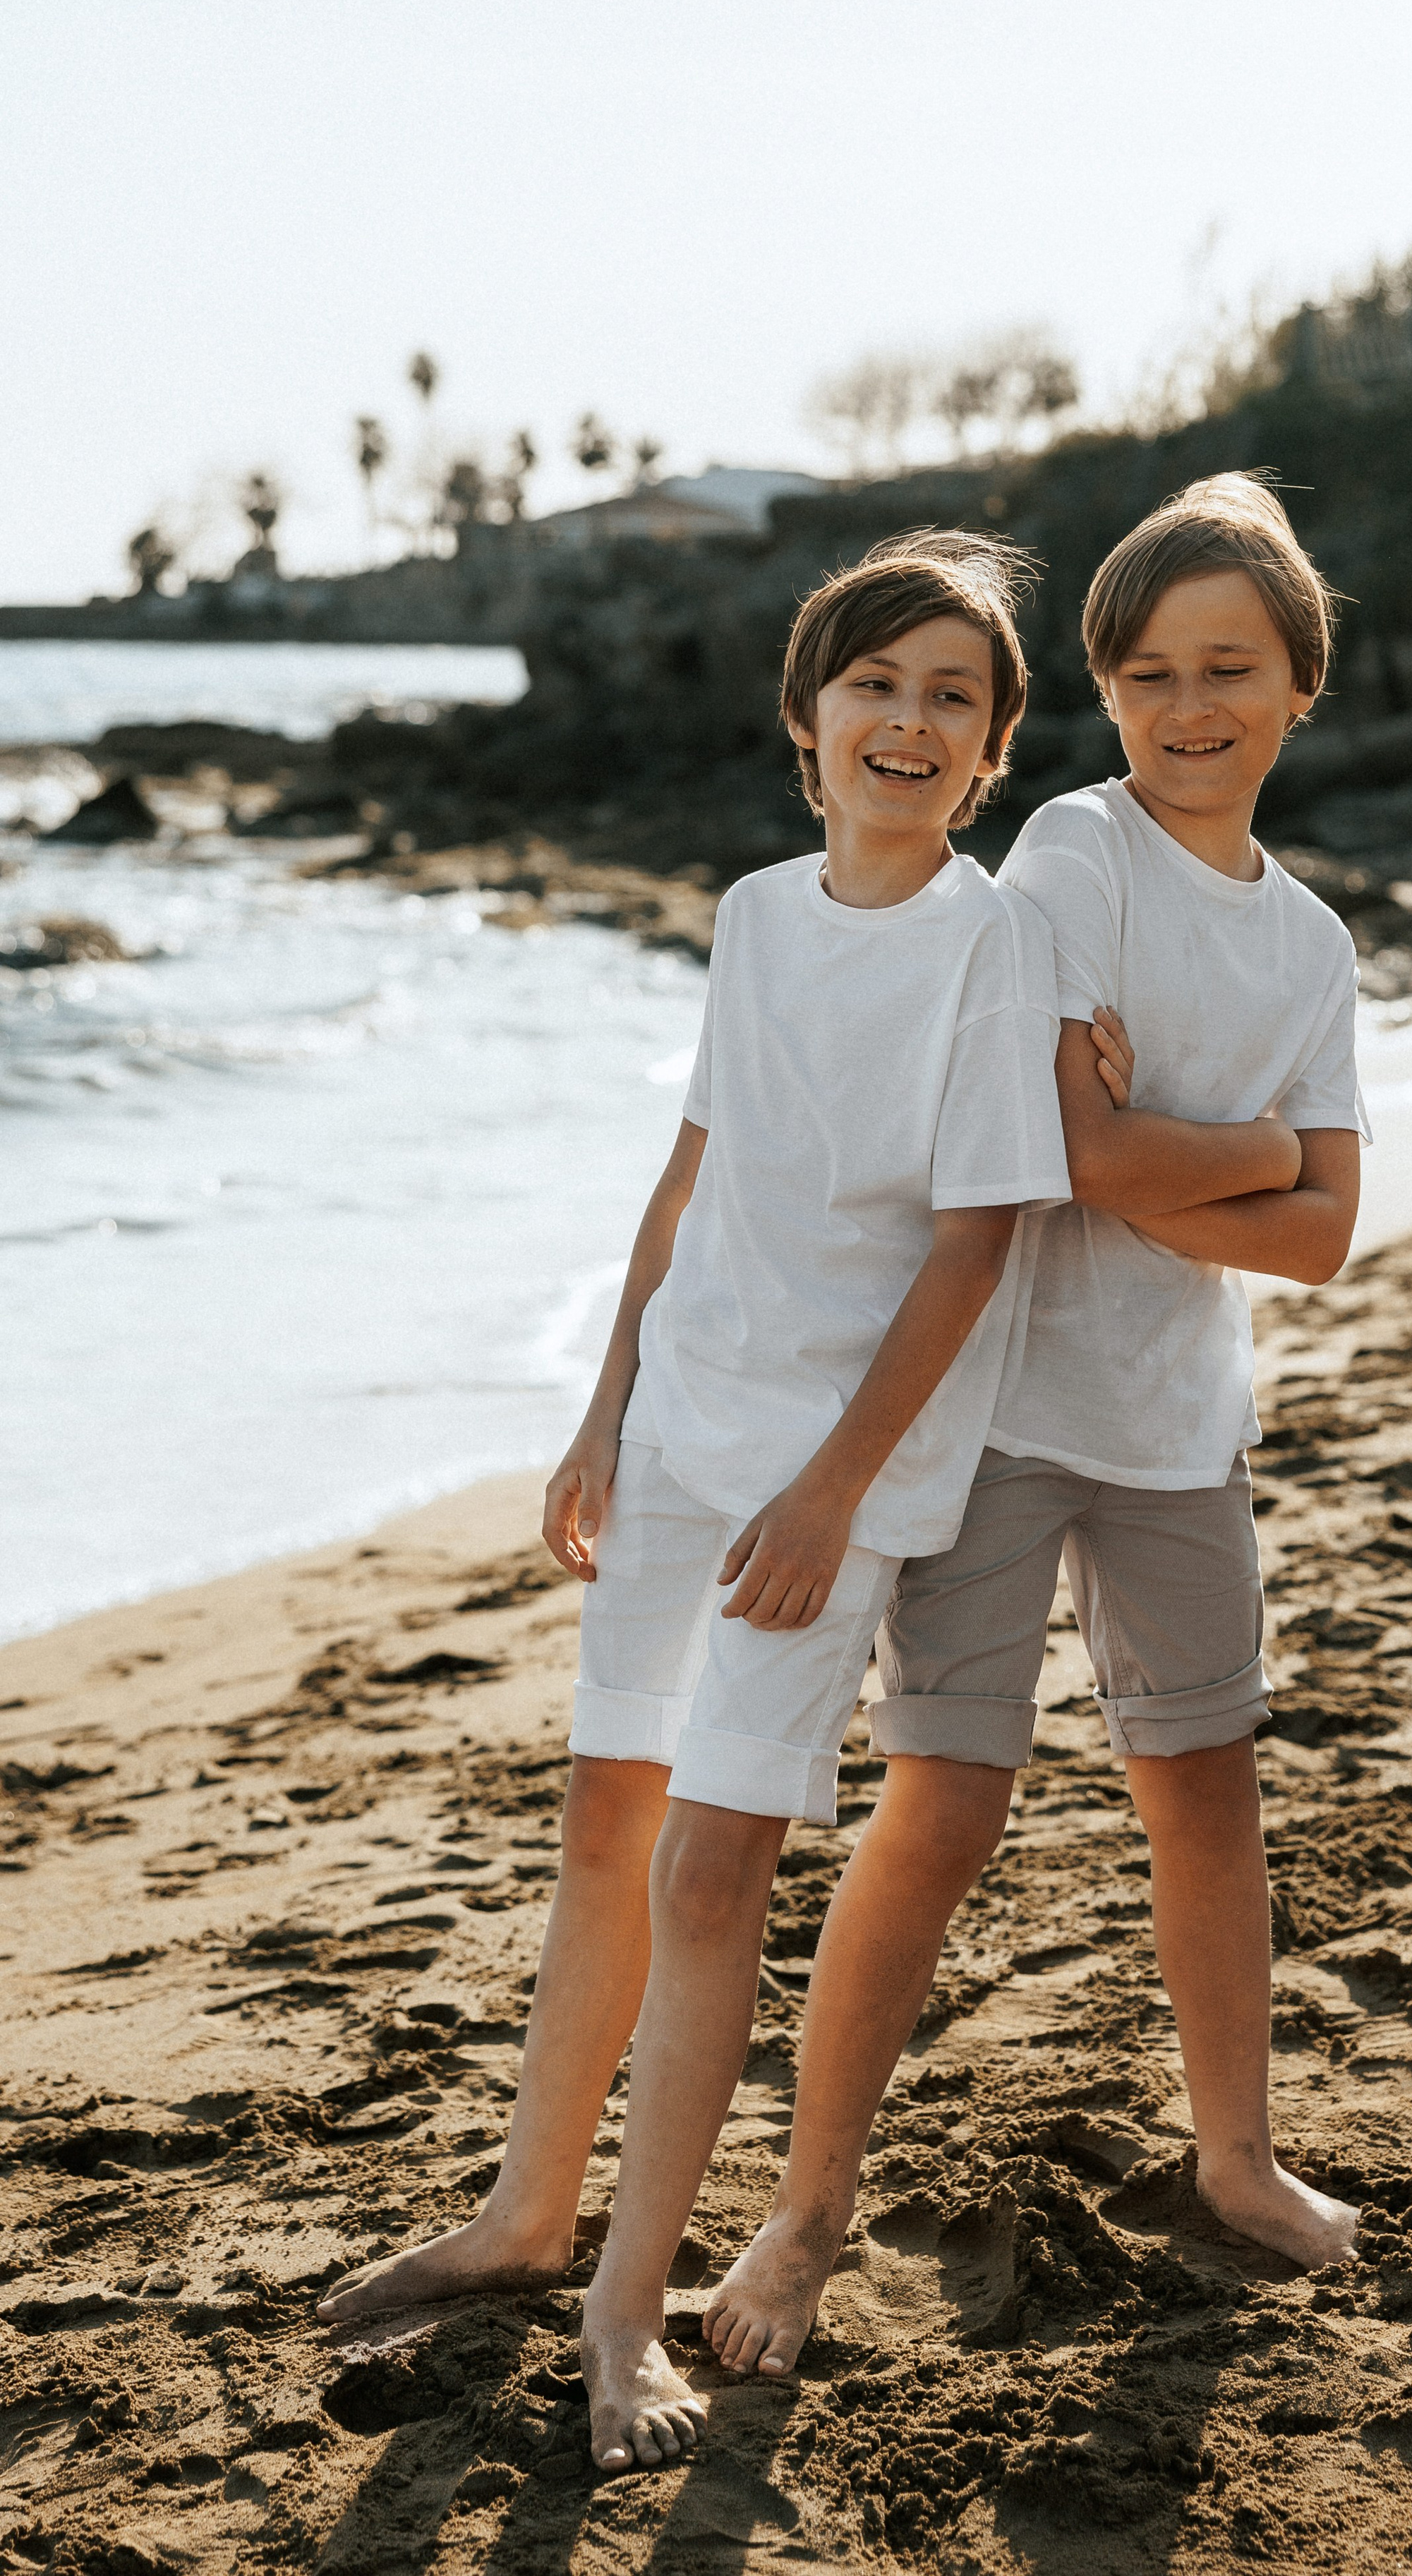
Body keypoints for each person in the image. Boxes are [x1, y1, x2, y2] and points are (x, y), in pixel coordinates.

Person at [318, 531, 1073, 2474]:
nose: (909, 723)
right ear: (806, 722)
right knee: (603, 1827)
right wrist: (604, 1402)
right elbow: (695, 1169)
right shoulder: (753, 911)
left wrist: (835, 1491)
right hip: (678, 1442)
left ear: (989, 753)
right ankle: (525, 2213)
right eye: (876, 688)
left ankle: (622, 2307)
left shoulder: (994, 943)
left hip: (827, 1483)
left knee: (717, 1874)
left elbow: (978, 1243)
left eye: (952, 699)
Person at [704, 472, 1370, 2385]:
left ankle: (1237, 2161)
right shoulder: (1071, 859)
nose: (1189, 709)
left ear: (1299, 686)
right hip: (995, 1412)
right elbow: (1070, 1157)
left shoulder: (1310, 945)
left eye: (1230, 670)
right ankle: (810, 2206)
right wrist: (1238, 1152)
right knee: (946, 1803)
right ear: (1097, 693)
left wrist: (1191, 1154)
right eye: (1148, 674)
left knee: (1208, 1789)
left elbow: (1323, 1243)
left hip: (1177, 1419)